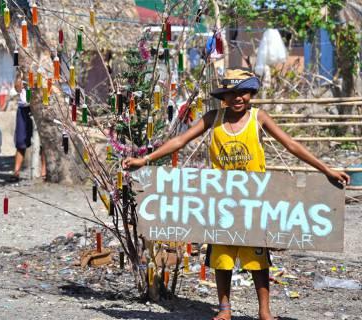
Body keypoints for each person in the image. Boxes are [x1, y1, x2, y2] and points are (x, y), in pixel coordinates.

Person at [122, 69, 350, 320]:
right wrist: (146, 160)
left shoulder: (258, 118)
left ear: (251, 93)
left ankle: (264, 311)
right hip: (222, 201)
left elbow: (291, 145)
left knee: (258, 259)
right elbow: (180, 141)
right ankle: (224, 310)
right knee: (222, 258)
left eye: (243, 92)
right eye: (231, 93)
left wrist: (327, 170)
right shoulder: (213, 118)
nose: (237, 98)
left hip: (254, 200)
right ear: (224, 97)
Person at [7, 72, 47, 182]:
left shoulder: (43, 66)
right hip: (24, 108)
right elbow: (17, 88)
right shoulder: (21, 70)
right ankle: (16, 171)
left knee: (44, 141)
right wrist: (21, 78)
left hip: (40, 107)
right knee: (21, 141)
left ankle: (44, 171)